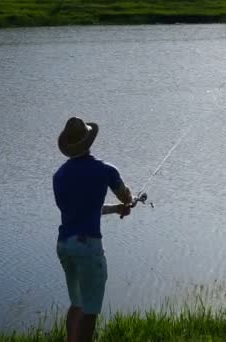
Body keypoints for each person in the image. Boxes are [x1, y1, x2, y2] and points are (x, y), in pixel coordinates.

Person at [53, 117, 133, 342]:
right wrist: (127, 201)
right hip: (88, 247)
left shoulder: (58, 176)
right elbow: (125, 195)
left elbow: (82, 210)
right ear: (89, 141)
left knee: (77, 304)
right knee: (90, 310)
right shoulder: (105, 170)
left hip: (64, 245)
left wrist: (116, 209)